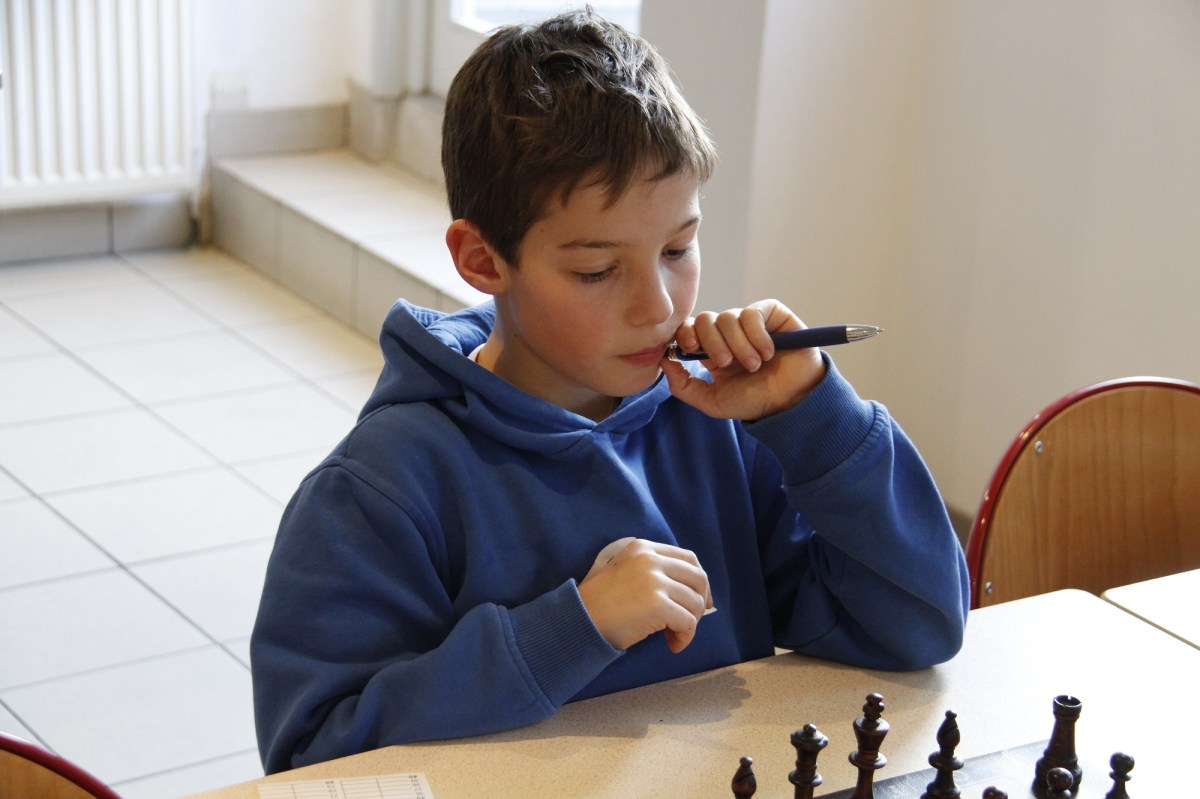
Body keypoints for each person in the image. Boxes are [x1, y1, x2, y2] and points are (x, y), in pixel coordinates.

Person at [250, 7, 969, 775]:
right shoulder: (378, 490)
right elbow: (313, 759)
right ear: (483, 260)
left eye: (679, 248)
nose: (658, 306)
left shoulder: (720, 424)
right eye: (597, 270)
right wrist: (574, 626)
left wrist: (817, 419)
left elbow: (918, 628)